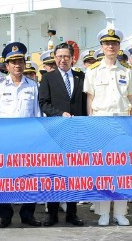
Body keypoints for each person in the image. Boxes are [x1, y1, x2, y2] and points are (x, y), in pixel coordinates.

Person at [83, 29, 132, 226]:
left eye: (114, 43)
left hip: (123, 123)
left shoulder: (127, 71)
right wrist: (91, 125)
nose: (111, 47)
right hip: (101, 123)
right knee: (103, 171)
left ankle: (120, 212)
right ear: (102, 47)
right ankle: (104, 212)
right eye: (107, 44)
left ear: (119, 46)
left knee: (122, 171)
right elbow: (90, 99)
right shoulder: (93, 71)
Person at [0, 42, 43, 228]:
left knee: (29, 177)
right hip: (5, 139)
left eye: (20, 61)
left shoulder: (33, 86)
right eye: (13, 62)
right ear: (7, 65)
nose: (17, 65)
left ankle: (28, 214)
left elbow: (37, 114)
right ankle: (5, 215)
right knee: (5, 178)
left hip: (28, 140)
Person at [38, 42, 87, 227]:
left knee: (74, 173)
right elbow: (43, 103)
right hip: (55, 130)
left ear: (72, 58)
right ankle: (52, 214)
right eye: (59, 56)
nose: (62, 59)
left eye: (66, 56)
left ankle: (72, 213)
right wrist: (60, 114)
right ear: (55, 57)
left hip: (77, 131)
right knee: (55, 173)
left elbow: (86, 102)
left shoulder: (81, 76)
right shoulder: (48, 78)